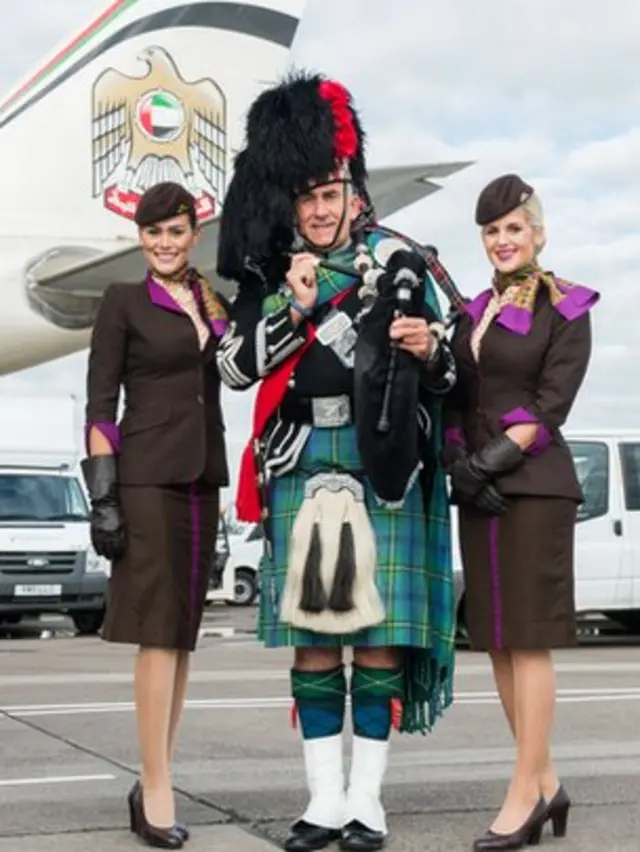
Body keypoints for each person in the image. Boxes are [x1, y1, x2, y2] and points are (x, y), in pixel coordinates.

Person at [214, 70, 459, 852]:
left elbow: (458, 368)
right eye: (308, 197)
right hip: (301, 456)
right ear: (292, 201)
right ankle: (323, 802)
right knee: (316, 639)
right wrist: (293, 302)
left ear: (354, 189)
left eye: (332, 193)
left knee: (378, 636)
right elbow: (233, 368)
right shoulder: (270, 270)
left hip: (384, 456)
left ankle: (368, 803)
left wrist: (432, 349)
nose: (320, 209)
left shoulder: (403, 260)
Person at [443, 174, 599, 850]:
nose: (502, 240)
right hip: (479, 491)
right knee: (498, 641)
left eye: (514, 228)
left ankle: (522, 794)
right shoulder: (473, 310)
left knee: (528, 640)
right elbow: (455, 397)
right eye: (492, 231)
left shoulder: (567, 308)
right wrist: (459, 464)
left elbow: (547, 407)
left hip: (533, 487)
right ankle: (546, 782)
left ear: (538, 233)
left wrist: (487, 463)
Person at [81, 181, 231, 849]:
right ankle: (157, 784)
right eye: (153, 232)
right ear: (139, 237)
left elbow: (237, 369)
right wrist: (105, 497)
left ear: (193, 235)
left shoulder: (210, 300)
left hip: (202, 478)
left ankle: (156, 775)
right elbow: (99, 407)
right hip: (143, 477)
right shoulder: (122, 302)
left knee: (182, 633)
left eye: (175, 232)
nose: (164, 243)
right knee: (154, 633)